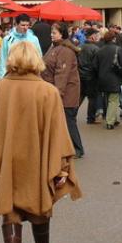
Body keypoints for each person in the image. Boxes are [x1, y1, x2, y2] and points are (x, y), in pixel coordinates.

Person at [0, 41, 81, 243]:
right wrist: (62, 165)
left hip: (5, 157)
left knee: (10, 211)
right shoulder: (48, 91)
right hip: (37, 157)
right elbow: (58, 132)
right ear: (36, 60)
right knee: (39, 204)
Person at [42, 23, 83, 158]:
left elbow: (62, 74)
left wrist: (57, 94)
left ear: (62, 34)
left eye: (54, 33)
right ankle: (66, 148)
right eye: (51, 32)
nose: (51, 35)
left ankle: (77, 148)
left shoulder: (65, 50)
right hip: (57, 90)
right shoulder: (55, 47)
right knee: (63, 121)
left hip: (67, 93)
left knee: (68, 120)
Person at [95, 30, 122, 129]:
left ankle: (115, 118)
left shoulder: (100, 50)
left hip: (102, 78)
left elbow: (95, 66)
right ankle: (110, 121)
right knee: (113, 99)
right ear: (114, 39)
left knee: (109, 98)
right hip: (115, 78)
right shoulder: (118, 49)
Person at [0, 14, 41, 78]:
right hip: (12, 75)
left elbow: (39, 57)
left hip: (29, 75)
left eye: (27, 25)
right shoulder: (7, 39)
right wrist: (2, 77)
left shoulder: (34, 39)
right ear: (16, 25)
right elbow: (3, 59)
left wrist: (38, 75)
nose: (25, 28)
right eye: (23, 25)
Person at [77, 28, 101, 124]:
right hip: (91, 76)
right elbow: (96, 64)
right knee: (92, 98)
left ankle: (71, 114)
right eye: (96, 35)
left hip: (81, 74)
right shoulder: (95, 49)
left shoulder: (80, 47)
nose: (97, 37)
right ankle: (90, 118)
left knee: (80, 96)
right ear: (92, 36)